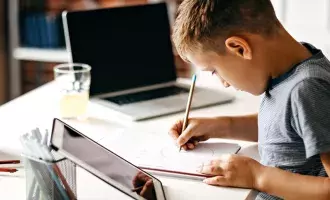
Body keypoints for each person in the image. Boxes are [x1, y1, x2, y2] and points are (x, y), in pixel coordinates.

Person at [169, 0, 330, 199]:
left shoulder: (308, 88)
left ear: (239, 48)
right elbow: (288, 128)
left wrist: (257, 176)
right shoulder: (289, 72)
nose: (224, 83)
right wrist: (220, 126)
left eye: (214, 71)